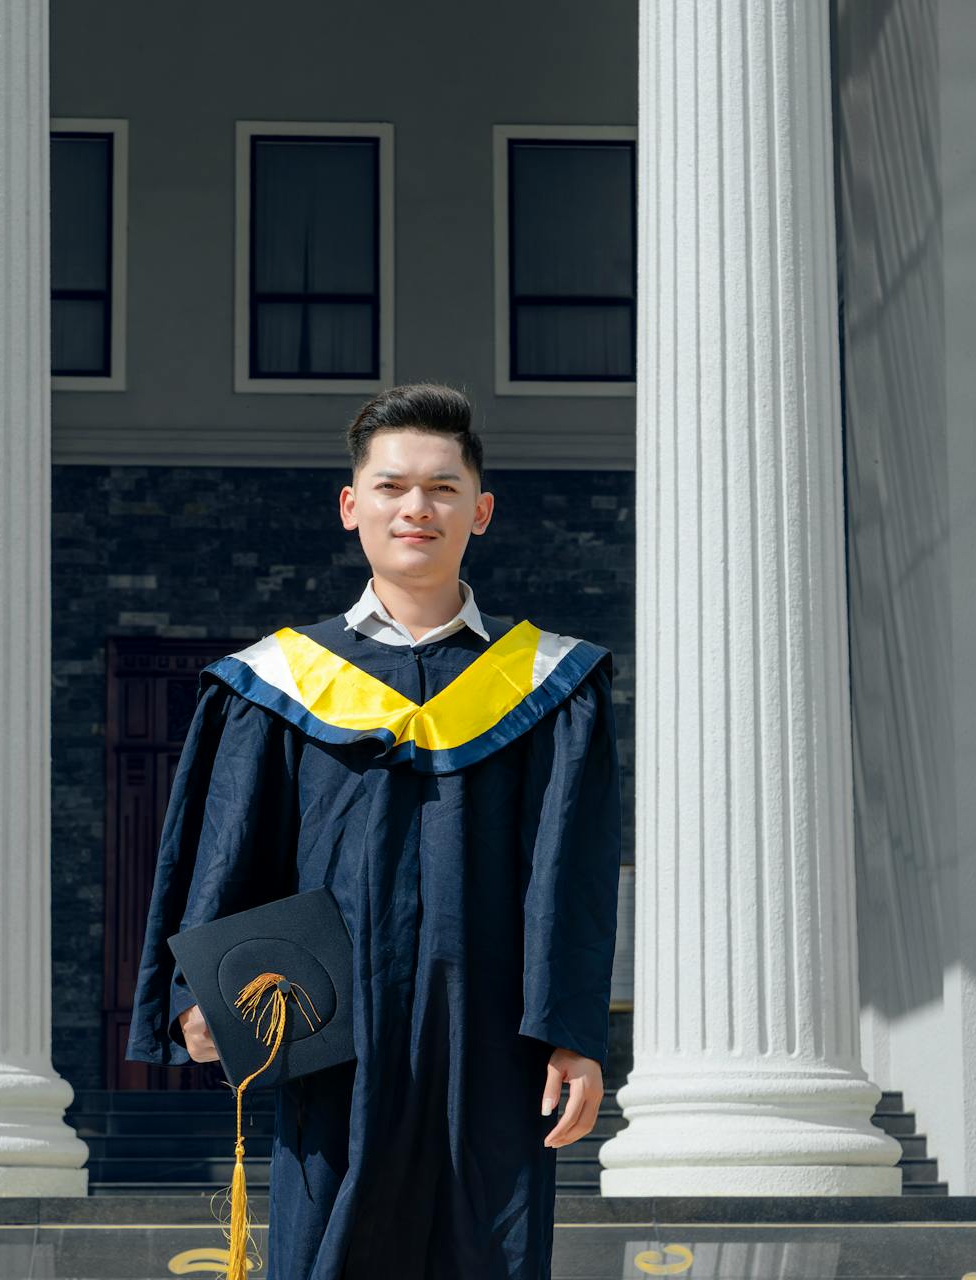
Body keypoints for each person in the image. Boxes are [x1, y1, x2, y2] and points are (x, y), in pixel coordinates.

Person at [125, 382, 622, 1280]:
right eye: (392, 487)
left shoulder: (549, 683)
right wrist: (201, 992)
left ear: (482, 510)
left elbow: (570, 876)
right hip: (330, 1028)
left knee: (487, 1248)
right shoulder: (280, 680)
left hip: (493, 1040)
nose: (416, 508)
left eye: (442, 487)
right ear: (353, 507)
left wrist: (574, 1033)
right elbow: (235, 845)